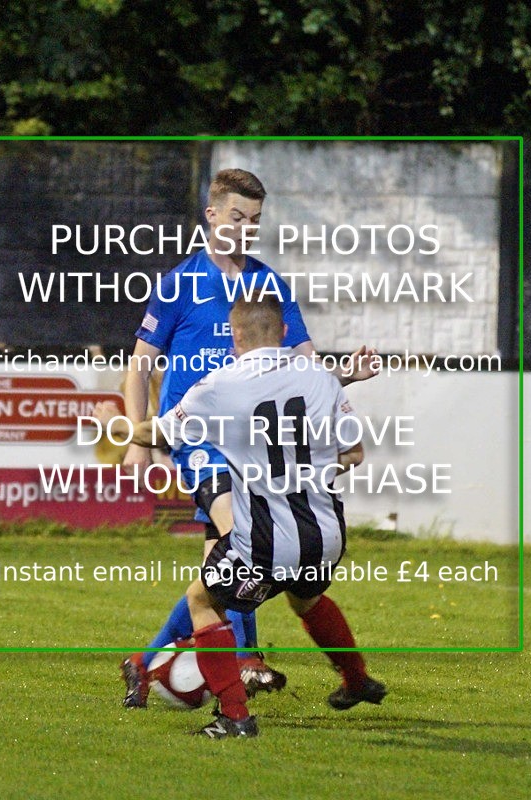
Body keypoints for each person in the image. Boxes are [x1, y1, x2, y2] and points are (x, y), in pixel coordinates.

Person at [96, 168, 379, 707]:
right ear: (211, 215)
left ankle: (148, 661)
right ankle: (244, 662)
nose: (246, 230)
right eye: (236, 218)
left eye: (254, 222)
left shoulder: (268, 286)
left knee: (234, 562)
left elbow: (304, 367)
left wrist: (345, 375)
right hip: (199, 437)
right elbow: (139, 367)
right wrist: (138, 437)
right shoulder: (180, 284)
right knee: (244, 548)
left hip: (251, 441)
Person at [128, 294, 387, 738]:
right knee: (305, 599)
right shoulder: (322, 379)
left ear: (236, 336)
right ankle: (357, 678)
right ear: (285, 333)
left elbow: (160, 433)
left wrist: (111, 424)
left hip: (269, 539)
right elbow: (354, 454)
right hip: (326, 534)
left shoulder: (220, 385)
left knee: (203, 600)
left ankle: (235, 716)